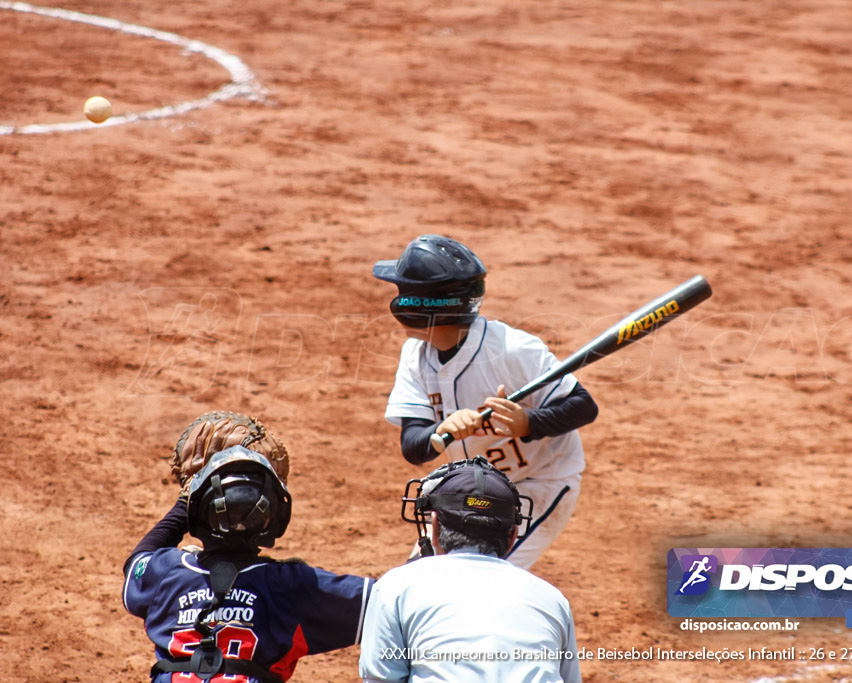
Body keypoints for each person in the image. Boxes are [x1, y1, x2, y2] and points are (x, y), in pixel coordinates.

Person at [372, 234, 599, 569]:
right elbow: (413, 447)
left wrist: (528, 423)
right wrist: (442, 430)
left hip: (537, 483)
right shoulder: (415, 356)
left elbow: (582, 405)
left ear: (420, 305)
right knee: (420, 580)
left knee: (470, 579)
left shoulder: (513, 349)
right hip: (471, 489)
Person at [122, 445, 373, 682]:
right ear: (274, 520)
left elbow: (138, 560)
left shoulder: (167, 571)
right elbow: (388, 601)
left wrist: (184, 504)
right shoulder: (290, 586)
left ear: (196, 514)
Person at [358, 457, 582, 682]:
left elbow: (380, 678)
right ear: (513, 535)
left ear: (434, 528)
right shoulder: (552, 599)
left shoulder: (396, 587)